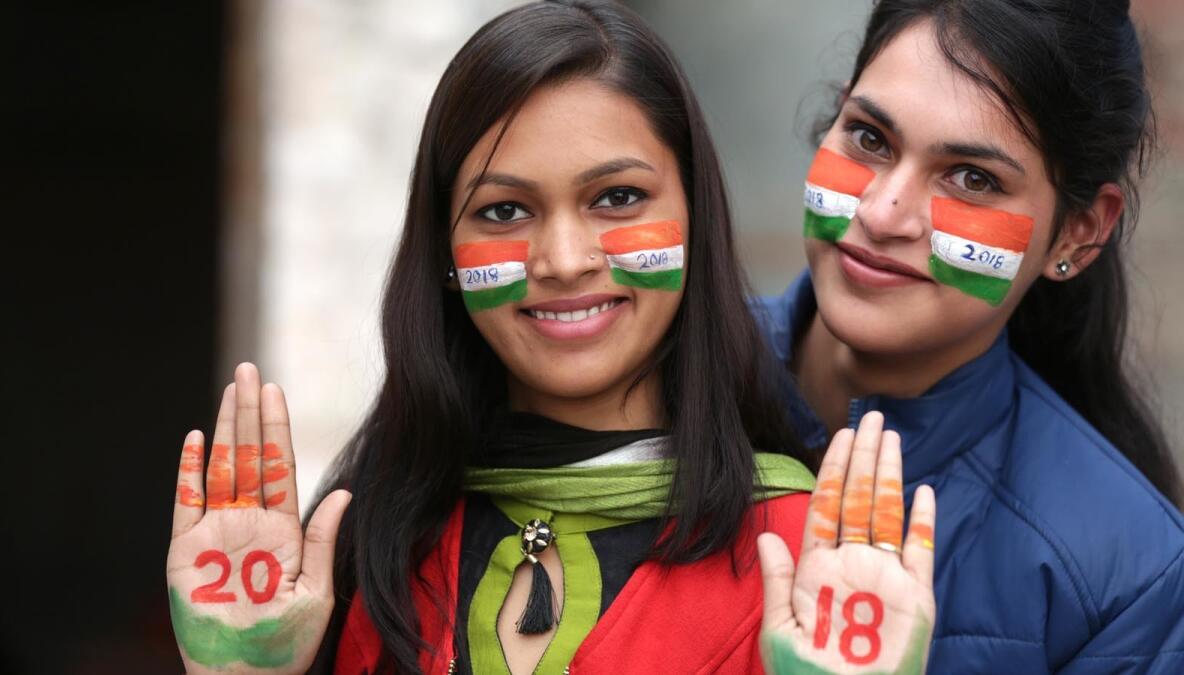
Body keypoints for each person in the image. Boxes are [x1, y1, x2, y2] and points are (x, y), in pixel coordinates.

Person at [165, 2, 939, 674]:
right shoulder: (372, 542)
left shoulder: (803, 559)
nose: (565, 260)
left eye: (618, 197)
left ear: (697, 219)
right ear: (444, 255)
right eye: (504, 211)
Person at [759, 0, 1184, 671]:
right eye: (870, 138)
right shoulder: (645, 376)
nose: (883, 211)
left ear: (1079, 232)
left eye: (973, 178)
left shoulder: (1129, 580)